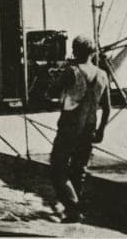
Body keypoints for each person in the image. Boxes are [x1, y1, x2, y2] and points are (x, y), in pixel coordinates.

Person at [46, 34, 111, 222]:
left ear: (74, 51)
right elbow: (107, 108)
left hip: (70, 126)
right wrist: (101, 131)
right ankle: (75, 210)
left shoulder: (71, 71)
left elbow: (51, 92)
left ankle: (73, 208)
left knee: (57, 167)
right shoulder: (103, 75)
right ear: (92, 53)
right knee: (78, 169)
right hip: (90, 127)